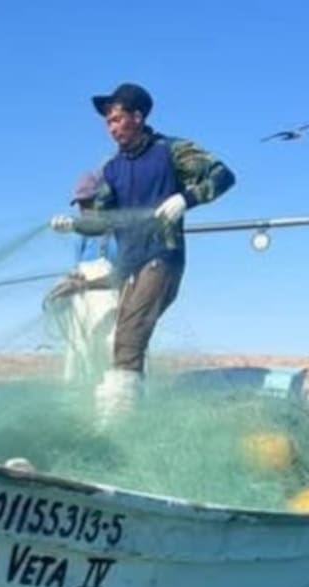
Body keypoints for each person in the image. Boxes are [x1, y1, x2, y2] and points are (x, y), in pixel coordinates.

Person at [52, 82, 235, 421]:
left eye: (117, 119)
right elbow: (103, 221)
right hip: (129, 266)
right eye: (108, 122)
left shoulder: (171, 150)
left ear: (138, 117)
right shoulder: (111, 170)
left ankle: (115, 426)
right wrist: (74, 225)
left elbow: (224, 176)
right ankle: (135, 415)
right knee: (123, 345)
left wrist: (186, 199)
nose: (111, 127)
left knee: (128, 338)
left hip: (162, 259)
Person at [42, 170, 119, 386]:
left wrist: (84, 285)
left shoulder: (122, 233)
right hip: (85, 314)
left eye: (88, 203)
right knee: (81, 363)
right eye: (80, 204)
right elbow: (78, 270)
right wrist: (68, 281)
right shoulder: (82, 236)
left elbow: (124, 276)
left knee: (113, 361)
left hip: (114, 316)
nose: (83, 210)